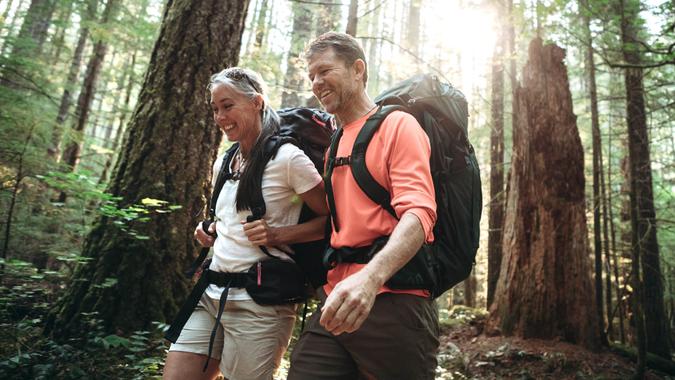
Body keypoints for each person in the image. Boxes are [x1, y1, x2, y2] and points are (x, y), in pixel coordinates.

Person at [288, 32, 439, 380]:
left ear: (358, 70)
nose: (316, 82)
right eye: (311, 75)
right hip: (336, 297)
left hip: (395, 299)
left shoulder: (398, 125)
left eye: (325, 70)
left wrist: (370, 279)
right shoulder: (335, 143)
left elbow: (419, 212)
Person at [163, 67, 328, 380]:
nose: (220, 117)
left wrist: (280, 233)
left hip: (261, 305)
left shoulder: (289, 159)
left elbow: (333, 221)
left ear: (256, 103)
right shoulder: (225, 161)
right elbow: (228, 218)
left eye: (228, 106)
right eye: (214, 109)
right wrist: (210, 229)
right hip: (209, 294)